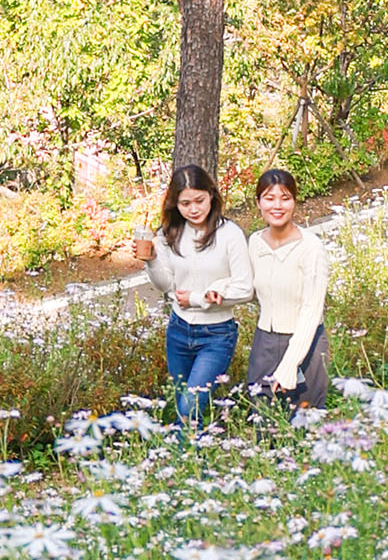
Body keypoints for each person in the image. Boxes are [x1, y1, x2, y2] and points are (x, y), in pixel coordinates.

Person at [130, 164, 251, 430]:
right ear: (175, 204)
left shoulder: (229, 234)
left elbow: (244, 288)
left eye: (199, 200)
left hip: (217, 334)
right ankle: (193, 460)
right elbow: (166, 285)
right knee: (183, 404)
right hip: (178, 331)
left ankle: (181, 461)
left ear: (212, 195)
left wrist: (198, 298)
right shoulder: (169, 234)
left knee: (189, 406)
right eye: (185, 203)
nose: (194, 209)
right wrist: (150, 260)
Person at [244, 168, 331, 413]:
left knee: (305, 423)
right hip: (266, 343)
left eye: (285, 197)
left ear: (295, 201)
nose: (277, 206)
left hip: (307, 343)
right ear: (259, 203)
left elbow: (311, 311)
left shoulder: (310, 247)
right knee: (263, 419)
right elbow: (247, 289)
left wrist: (290, 364)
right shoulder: (255, 242)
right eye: (269, 198)